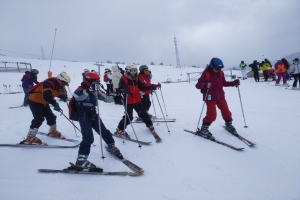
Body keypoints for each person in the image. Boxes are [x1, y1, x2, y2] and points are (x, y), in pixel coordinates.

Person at [72, 71, 123, 171]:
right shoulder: (80, 89)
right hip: (83, 115)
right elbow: (77, 97)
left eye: (97, 82)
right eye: (94, 82)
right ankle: (81, 160)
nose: (96, 84)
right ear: (87, 81)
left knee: (104, 131)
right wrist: (88, 91)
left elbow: (106, 98)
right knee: (88, 137)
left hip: (93, 113)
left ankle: (111, 146)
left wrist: (117, 96)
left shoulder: (96, 90)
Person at [195, 58, 240, 139]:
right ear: (212, 66)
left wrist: (233, 83)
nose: (218, 70)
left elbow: (224, 83)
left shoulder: (221, 73)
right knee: (212, 115)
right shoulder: (206, 74)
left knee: (227, 112)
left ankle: (229, 125)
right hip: (210, 97)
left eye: (220, 68)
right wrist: (205, 85)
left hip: (220, 96)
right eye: (216, 68)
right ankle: (203, 130)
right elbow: (198, 85)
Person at [115, 64, 161, 142]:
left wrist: (152, 87)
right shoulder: (124, 79)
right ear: (128, 71)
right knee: (129, 117)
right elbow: (119, 89)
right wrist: (123, 90)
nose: (134, 72)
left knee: (143, 113)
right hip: (129, 101)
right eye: (132, 71)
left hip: (137, 100)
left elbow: (142, 86)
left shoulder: (136, 79)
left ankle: (149, 125)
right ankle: (120, 129)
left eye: (135, 71)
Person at [23, 72, 70, 145]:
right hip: (34, 101)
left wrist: (63, 97)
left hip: (43, 102)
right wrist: (55, 104)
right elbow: (47, 96)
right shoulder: (48, 84)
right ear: (60, 80)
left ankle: (52, 131)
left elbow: (55, 92)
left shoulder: (56, 84)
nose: (64, 85)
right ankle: (30, 137)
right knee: (39, 118)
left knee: (51, 117)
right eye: (64, 83)